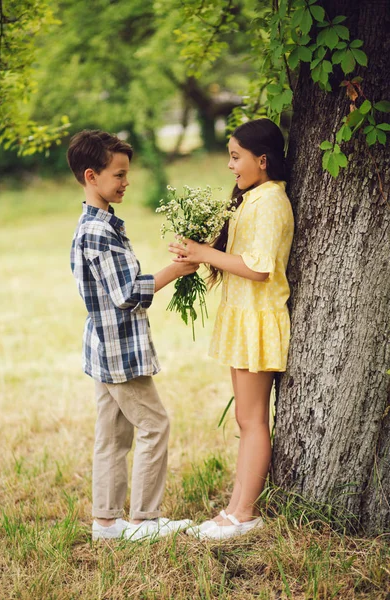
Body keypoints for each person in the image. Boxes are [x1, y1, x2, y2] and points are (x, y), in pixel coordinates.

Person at [68, 130, 197, 541]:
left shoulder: (97, 225)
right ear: (92, 175)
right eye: (118, 174)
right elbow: (125, 293)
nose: (126, 182)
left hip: (105, 348)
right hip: (120, 352)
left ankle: (106, 523)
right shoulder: (97, 232)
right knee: (155, 425)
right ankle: (144, 520)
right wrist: (174, 270)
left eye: (127, 174)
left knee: (113, 436)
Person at [169, 118, 294, 540]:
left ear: (263, 159)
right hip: (243, 316)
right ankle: (234, 508)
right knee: (246, 418)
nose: (230, 165)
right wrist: (196, 252)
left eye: (236, 156)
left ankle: (245, 513)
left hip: (259, 318)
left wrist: (207, 252)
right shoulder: (252, 198)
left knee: (254, 419)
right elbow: (237, 256)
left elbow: (259, 268)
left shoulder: (272, 201)